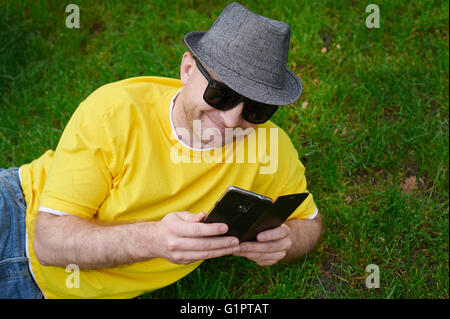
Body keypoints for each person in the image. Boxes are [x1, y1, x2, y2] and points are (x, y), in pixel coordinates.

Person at [0, 2, 322, 299]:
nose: (231, 119)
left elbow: (310, 222)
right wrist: (154, 239)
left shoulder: (269, 147)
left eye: (256, 109)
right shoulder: (114, 112)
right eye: (221, 94)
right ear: (187, 70)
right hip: (19, 210)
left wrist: (288, 241)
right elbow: (49, 241)